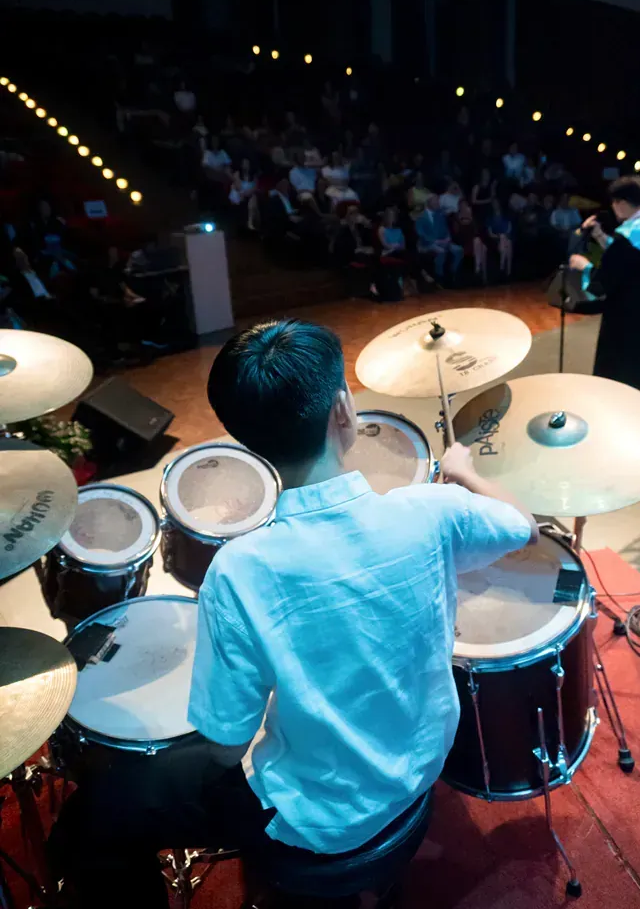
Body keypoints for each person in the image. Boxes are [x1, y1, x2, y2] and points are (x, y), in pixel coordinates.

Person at [49, 319, 537, 909]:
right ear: (343, 409)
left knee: (90, 819)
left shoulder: (241, 569)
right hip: (423, 764)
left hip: (319, 822)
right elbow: (521, 526)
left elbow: (227, 743)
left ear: (244, 441)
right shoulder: (432, 511)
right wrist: (466, 474)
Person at [569, 175, 640, 400]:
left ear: (621, 203)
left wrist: (584, 266)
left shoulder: (628, 237)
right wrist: (601, 237)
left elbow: (602, 283)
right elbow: (632, 260)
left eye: (614, 203)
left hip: (628, 320)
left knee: (623, 383)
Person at [415, 194, 463, 284]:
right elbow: (421, 234)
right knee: (440, 251)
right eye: (435, 201)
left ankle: (453, 274)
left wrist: (447, 238)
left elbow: (446, 230)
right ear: (429, 202)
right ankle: (439, 277)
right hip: (427, 244)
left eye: (438, 201)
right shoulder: (420, 217)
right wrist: (435, 241)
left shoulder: (440, 215)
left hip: (442, 242)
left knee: (458, 250)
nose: (438, 203)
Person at [451, 200, 487, 284]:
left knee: (482, 246)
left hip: (472, 241)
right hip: (462, 241)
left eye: (465, 205)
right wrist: (463, 221)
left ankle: (480, 272)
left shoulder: (472, 217)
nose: (464, 207)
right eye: (462, 205)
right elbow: (456, 233)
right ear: (459, 207)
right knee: (479, 245)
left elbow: (476, 232)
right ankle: (478, 271)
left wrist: (470, 218)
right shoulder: (455, 217)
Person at [486, 197, 513, 277]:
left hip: (506, 238)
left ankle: (504, 269)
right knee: (503, 239)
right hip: (495, 239)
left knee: (508, 242)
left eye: (496, 203)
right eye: (494, 203)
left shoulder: (506, 217)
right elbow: (490, 233)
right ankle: (507, 271)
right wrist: (499, 236)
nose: (495, 205)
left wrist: (503, 236)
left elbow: (509, 229)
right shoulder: (489, 219)